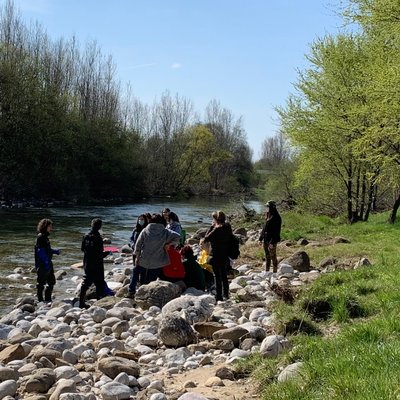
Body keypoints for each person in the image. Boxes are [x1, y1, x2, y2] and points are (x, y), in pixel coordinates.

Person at [127, 213, 180, 298]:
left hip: (144, 259)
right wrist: (169, 244)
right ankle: (145, 296)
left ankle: (131, 291)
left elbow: (138, 245)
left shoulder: (145, 230)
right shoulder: (165, 232)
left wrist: (137, 257)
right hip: (158, 261)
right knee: (150, 280)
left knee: (136, 271)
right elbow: (178, 237)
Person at [79, 218, 110, 309]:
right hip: (97, 265)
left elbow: (82, 249)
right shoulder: (98, 238)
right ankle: (98, 303)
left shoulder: (85, 236)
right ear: (100, 226)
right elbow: (100, 254)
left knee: (85, 283)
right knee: (99, 283)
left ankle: (81, 302)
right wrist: (108, 252)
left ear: (91, 225)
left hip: (87, 263)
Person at [203, 210, 232, 302]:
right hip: (225, 254)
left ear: (216, 219)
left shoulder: (217, 229)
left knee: (217, 276)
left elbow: (206, 238)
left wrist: (211, 226)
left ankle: (219, 296)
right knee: (223, 275)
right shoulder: (228, 226)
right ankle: (226, 294)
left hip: (216, 254)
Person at [34, 218, 60, 303]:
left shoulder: (45, 237)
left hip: (48, 262)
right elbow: (40, 251)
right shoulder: (41, 237)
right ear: (45, 226)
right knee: (41, 283)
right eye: (50, 226)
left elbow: (46, 249)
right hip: (42, 264)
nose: (51, 228)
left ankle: (48, 299)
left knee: (51, 281)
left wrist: (54, 251)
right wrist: (46, 262)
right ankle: (40, 300)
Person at [259, 201, 282, 273]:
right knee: (267, 256)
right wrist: (260, 238)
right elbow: (264, 228)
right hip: (266, 239)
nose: (266, 208)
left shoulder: (277, 217)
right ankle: (267, 271)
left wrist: (272, 242)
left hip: (272, 240)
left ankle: (275, 272)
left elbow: (277, 231)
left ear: (272, 207)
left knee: (273, 256)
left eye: (267, 207)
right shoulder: (268, 215)